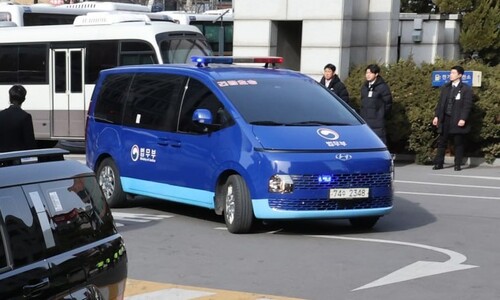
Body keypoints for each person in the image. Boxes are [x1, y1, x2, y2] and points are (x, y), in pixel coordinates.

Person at [432, 65, 473, 171]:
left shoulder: (466, 89)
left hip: (457, 119)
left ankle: (457, 164)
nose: (451, 75)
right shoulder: (446, 87)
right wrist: (437, 116)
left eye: (453, 73)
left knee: (458, 143)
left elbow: (467, 106)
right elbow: (440, 104)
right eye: (451, 73)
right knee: (442, 142)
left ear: (460, 75)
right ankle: (439, 163)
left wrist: (463, 118)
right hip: (445, 118)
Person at [359, 64, 393, 144]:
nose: (368, 75)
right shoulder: (365, 87)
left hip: (377, 121)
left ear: (376, 74)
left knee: (378, 141)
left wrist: (381, 114)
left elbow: (388, 103)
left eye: (370, 73)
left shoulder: (382, 87)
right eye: (367, 73)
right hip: (365, 119)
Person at [0, 85, 36, 152]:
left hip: (2, 158)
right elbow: (30, 143)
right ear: (24, 99)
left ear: (10, 98)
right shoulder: (25, 117)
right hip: (17, 158)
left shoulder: (1, 114)